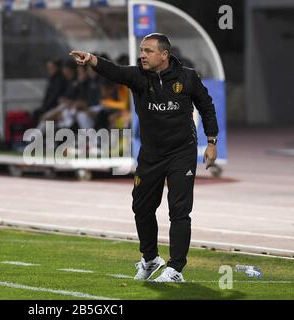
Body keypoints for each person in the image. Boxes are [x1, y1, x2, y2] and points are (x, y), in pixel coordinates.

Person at [70, 33, 219, 282]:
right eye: (141, 50)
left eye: (148, 51)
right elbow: (115, 71)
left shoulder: (188, 77)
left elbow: (207, 106)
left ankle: (175, 269)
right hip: (150, 155)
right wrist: (91, 59)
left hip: (181, 152)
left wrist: (212, 142)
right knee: (141, 207)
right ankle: (150, 259)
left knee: (179, 210)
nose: (142, 55)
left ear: (164, 55)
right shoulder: (138, 76)